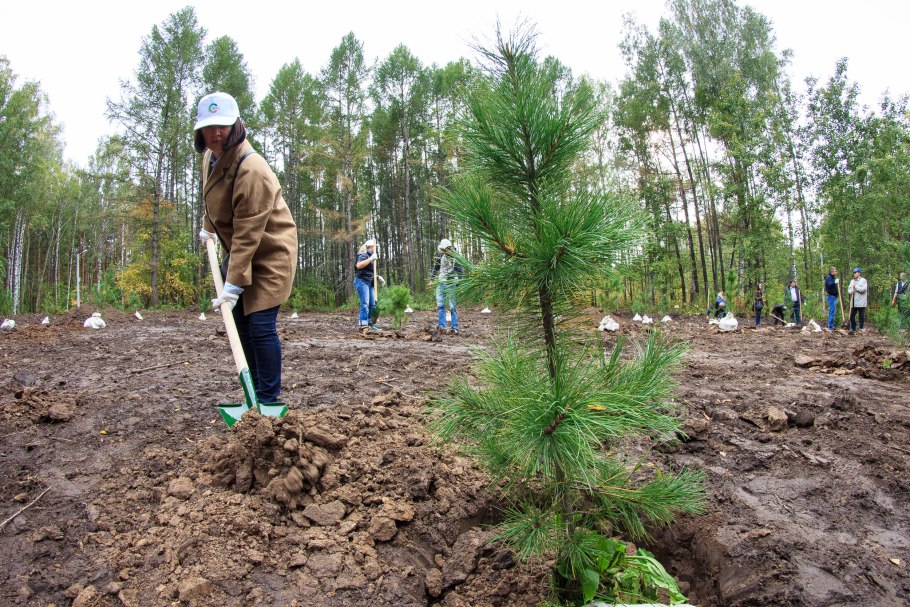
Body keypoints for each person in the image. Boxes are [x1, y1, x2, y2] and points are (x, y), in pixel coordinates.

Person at [195, 92, 298, 404]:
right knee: (239, 326)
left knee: (260, 325)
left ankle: (268, 401)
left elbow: (249, 231)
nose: (216, 133)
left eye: (223, 126)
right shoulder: (210, 157)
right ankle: (252, 399)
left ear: (236, 125)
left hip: (270, 253)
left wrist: (234, 281)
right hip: (241, 252)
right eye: (209, 127)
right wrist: (208, 227)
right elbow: (216, 201)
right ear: (200, 130)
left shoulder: (251, 167)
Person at [431, 238, 463, 334]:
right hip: (441, 282)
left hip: (450, 283)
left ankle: (455, 327)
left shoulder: (455, 258)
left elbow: (460, 271)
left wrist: (460, 285)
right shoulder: (441, 255)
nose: (444, 251)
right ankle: (442, 327)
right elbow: (436, 267)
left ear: (449, 248)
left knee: (452, 306)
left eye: (446, 249)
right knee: (440, 305)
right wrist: (431, 279)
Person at [354, 239, 382, 334]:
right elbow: (359, 266)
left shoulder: (372, 257)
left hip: (370, 282)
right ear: (369, 247)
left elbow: (369, 272)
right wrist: (370, 259)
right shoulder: (363, 255)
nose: (376, 249)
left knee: (372, 304)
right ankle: (363, 325)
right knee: (365, 304)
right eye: (375, 247)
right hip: (361, 281)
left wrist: (377, 277)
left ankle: (370, 323)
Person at [848, 267, 868, 332]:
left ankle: (861, 328)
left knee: (861, 316)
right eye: (854, 273)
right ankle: (853, 329)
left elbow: (863, 290)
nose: (854, 274)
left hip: (861, 302)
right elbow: (849, 289)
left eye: (855, 273)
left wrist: (855, 287)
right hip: (853, 302)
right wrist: (851, 291)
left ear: (859, 273)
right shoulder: (852, 281)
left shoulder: (863, 280)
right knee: (852, 316)